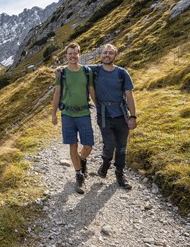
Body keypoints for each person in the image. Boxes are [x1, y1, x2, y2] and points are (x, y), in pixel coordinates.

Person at [51, 43, 96, 194]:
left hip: (83, 113)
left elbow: (91, 90)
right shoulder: (62, 73)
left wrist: (100, 108)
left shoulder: (87, 71)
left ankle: (82, 160)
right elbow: (57, 94)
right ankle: (79, 175)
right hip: (68, 115)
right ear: (66, 56)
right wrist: (53, 114)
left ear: (79, 54)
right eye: (69, 54)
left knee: (88, 145)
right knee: (73, 145)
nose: (72, 56)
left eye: (75, 53)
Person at [91, 44, 137, 190]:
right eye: (105, 52)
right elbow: (76, 67)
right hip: (104, 115)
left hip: (121, 114)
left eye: (110, 53)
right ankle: (105, 163)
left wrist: (133, 116)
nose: (107, 55)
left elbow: (129, 96)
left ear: (115, 56)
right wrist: (61, 69)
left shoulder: (122, 73)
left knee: (122, 147)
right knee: (109, 144)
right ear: (101, 55)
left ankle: (120, 174)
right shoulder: (95, 70)